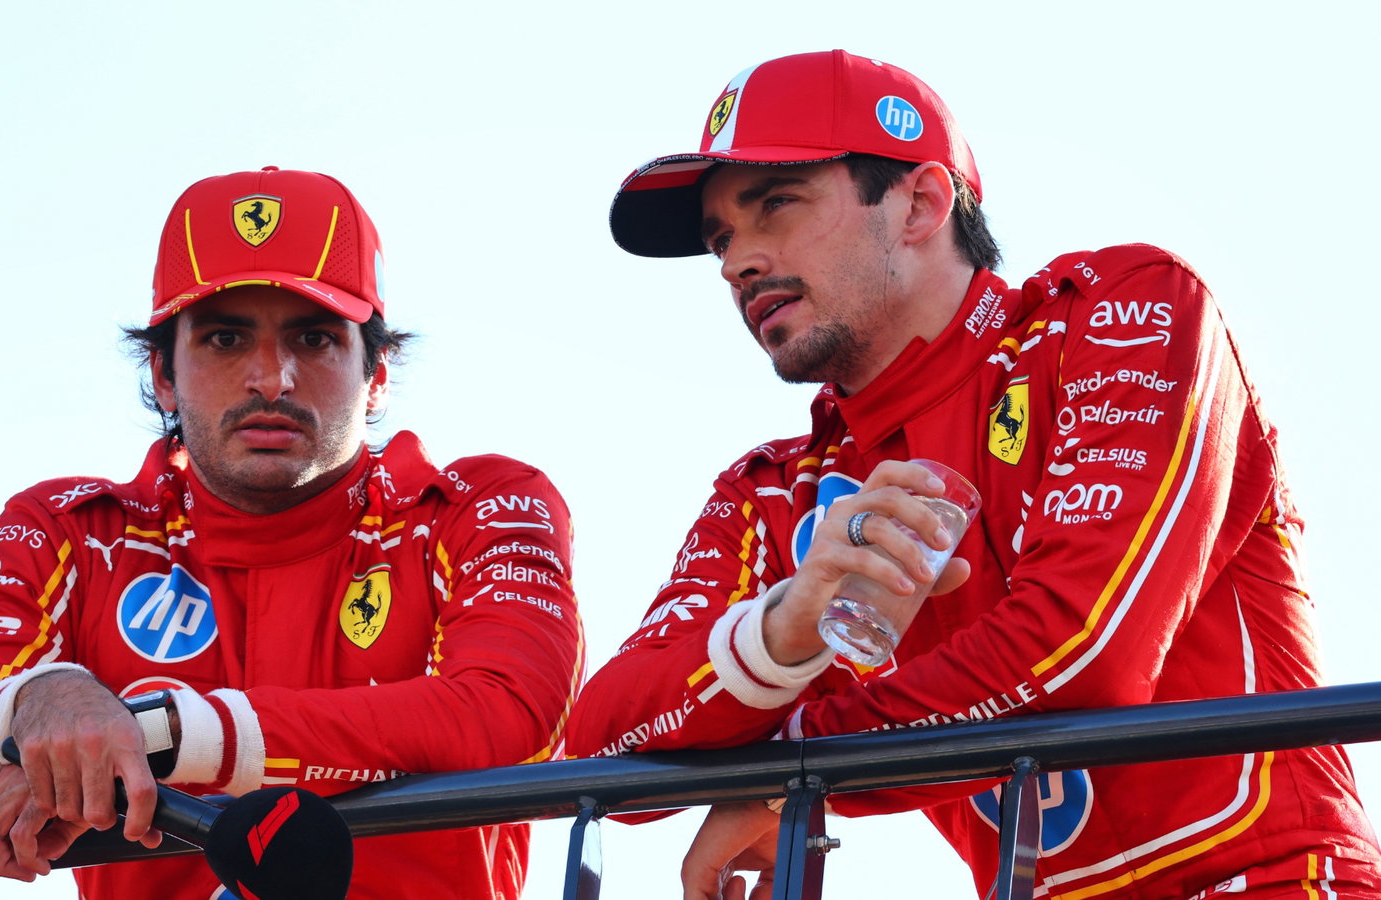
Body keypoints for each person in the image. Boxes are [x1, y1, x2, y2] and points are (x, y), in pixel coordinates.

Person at [564, 50, 1381, 899]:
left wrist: (785, 776)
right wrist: (785, 627)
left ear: (920, 202)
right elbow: (601, 748)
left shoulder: (1123, 311)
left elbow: (1082, 654)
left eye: (777, 205)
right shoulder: (773, 493)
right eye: (722, 237)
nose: (737, 262)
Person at [0, 166, 584, 900]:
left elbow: (516, 714)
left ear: (378, 374)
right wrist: (35, 706)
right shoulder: (63, 533)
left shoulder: (476, 504)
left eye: (316, 338)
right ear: (163, 374)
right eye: (227, 338)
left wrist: (152, 735)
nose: (272, 378)